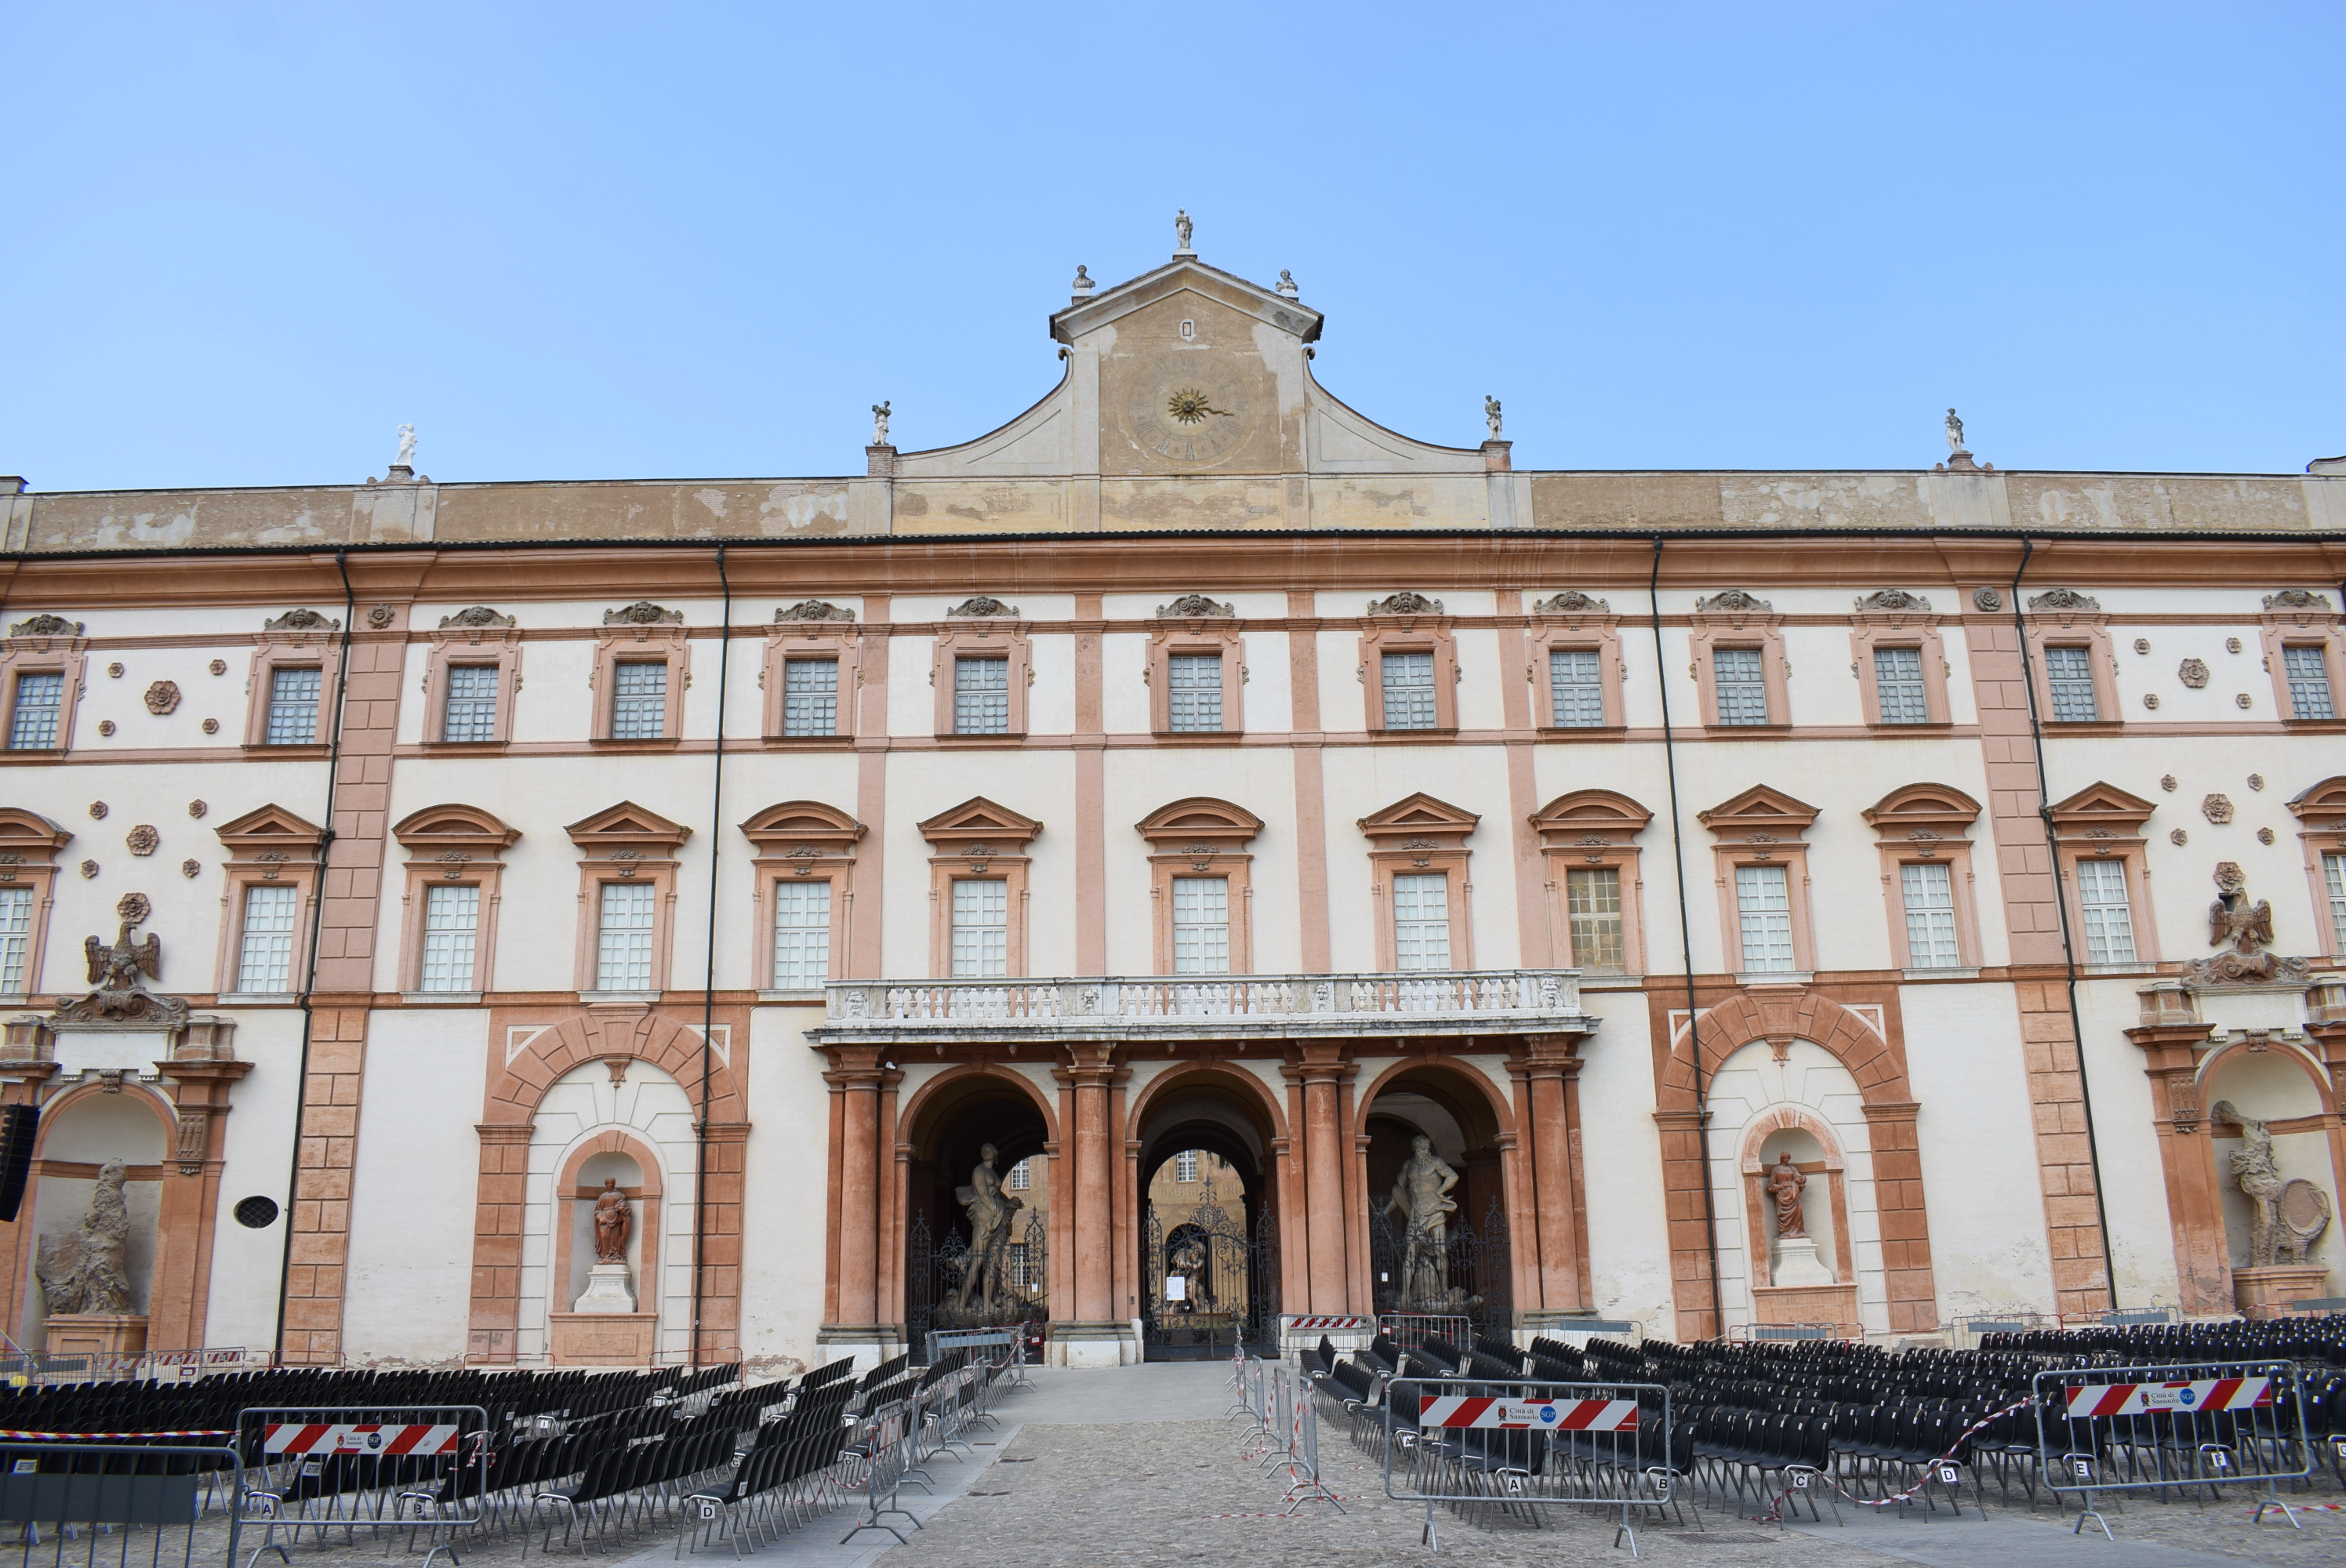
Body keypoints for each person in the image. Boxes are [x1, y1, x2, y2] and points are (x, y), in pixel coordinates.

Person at [1385, 1134, 1458, 1307]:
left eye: (1427, 1148)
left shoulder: (1436, 1162)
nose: (1425, 1152)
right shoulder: (1408, 1167)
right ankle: (1405, 1295)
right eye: (1421, 1149)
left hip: (1435, 1212)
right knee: (1410, 1254)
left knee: (1440, 1251)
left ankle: (1442, 1290)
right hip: (1416, 1214)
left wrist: (1440, 1191)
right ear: (1415, 1149)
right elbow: (1398, 1191)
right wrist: (1386, 1211)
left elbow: (1453, 1176)